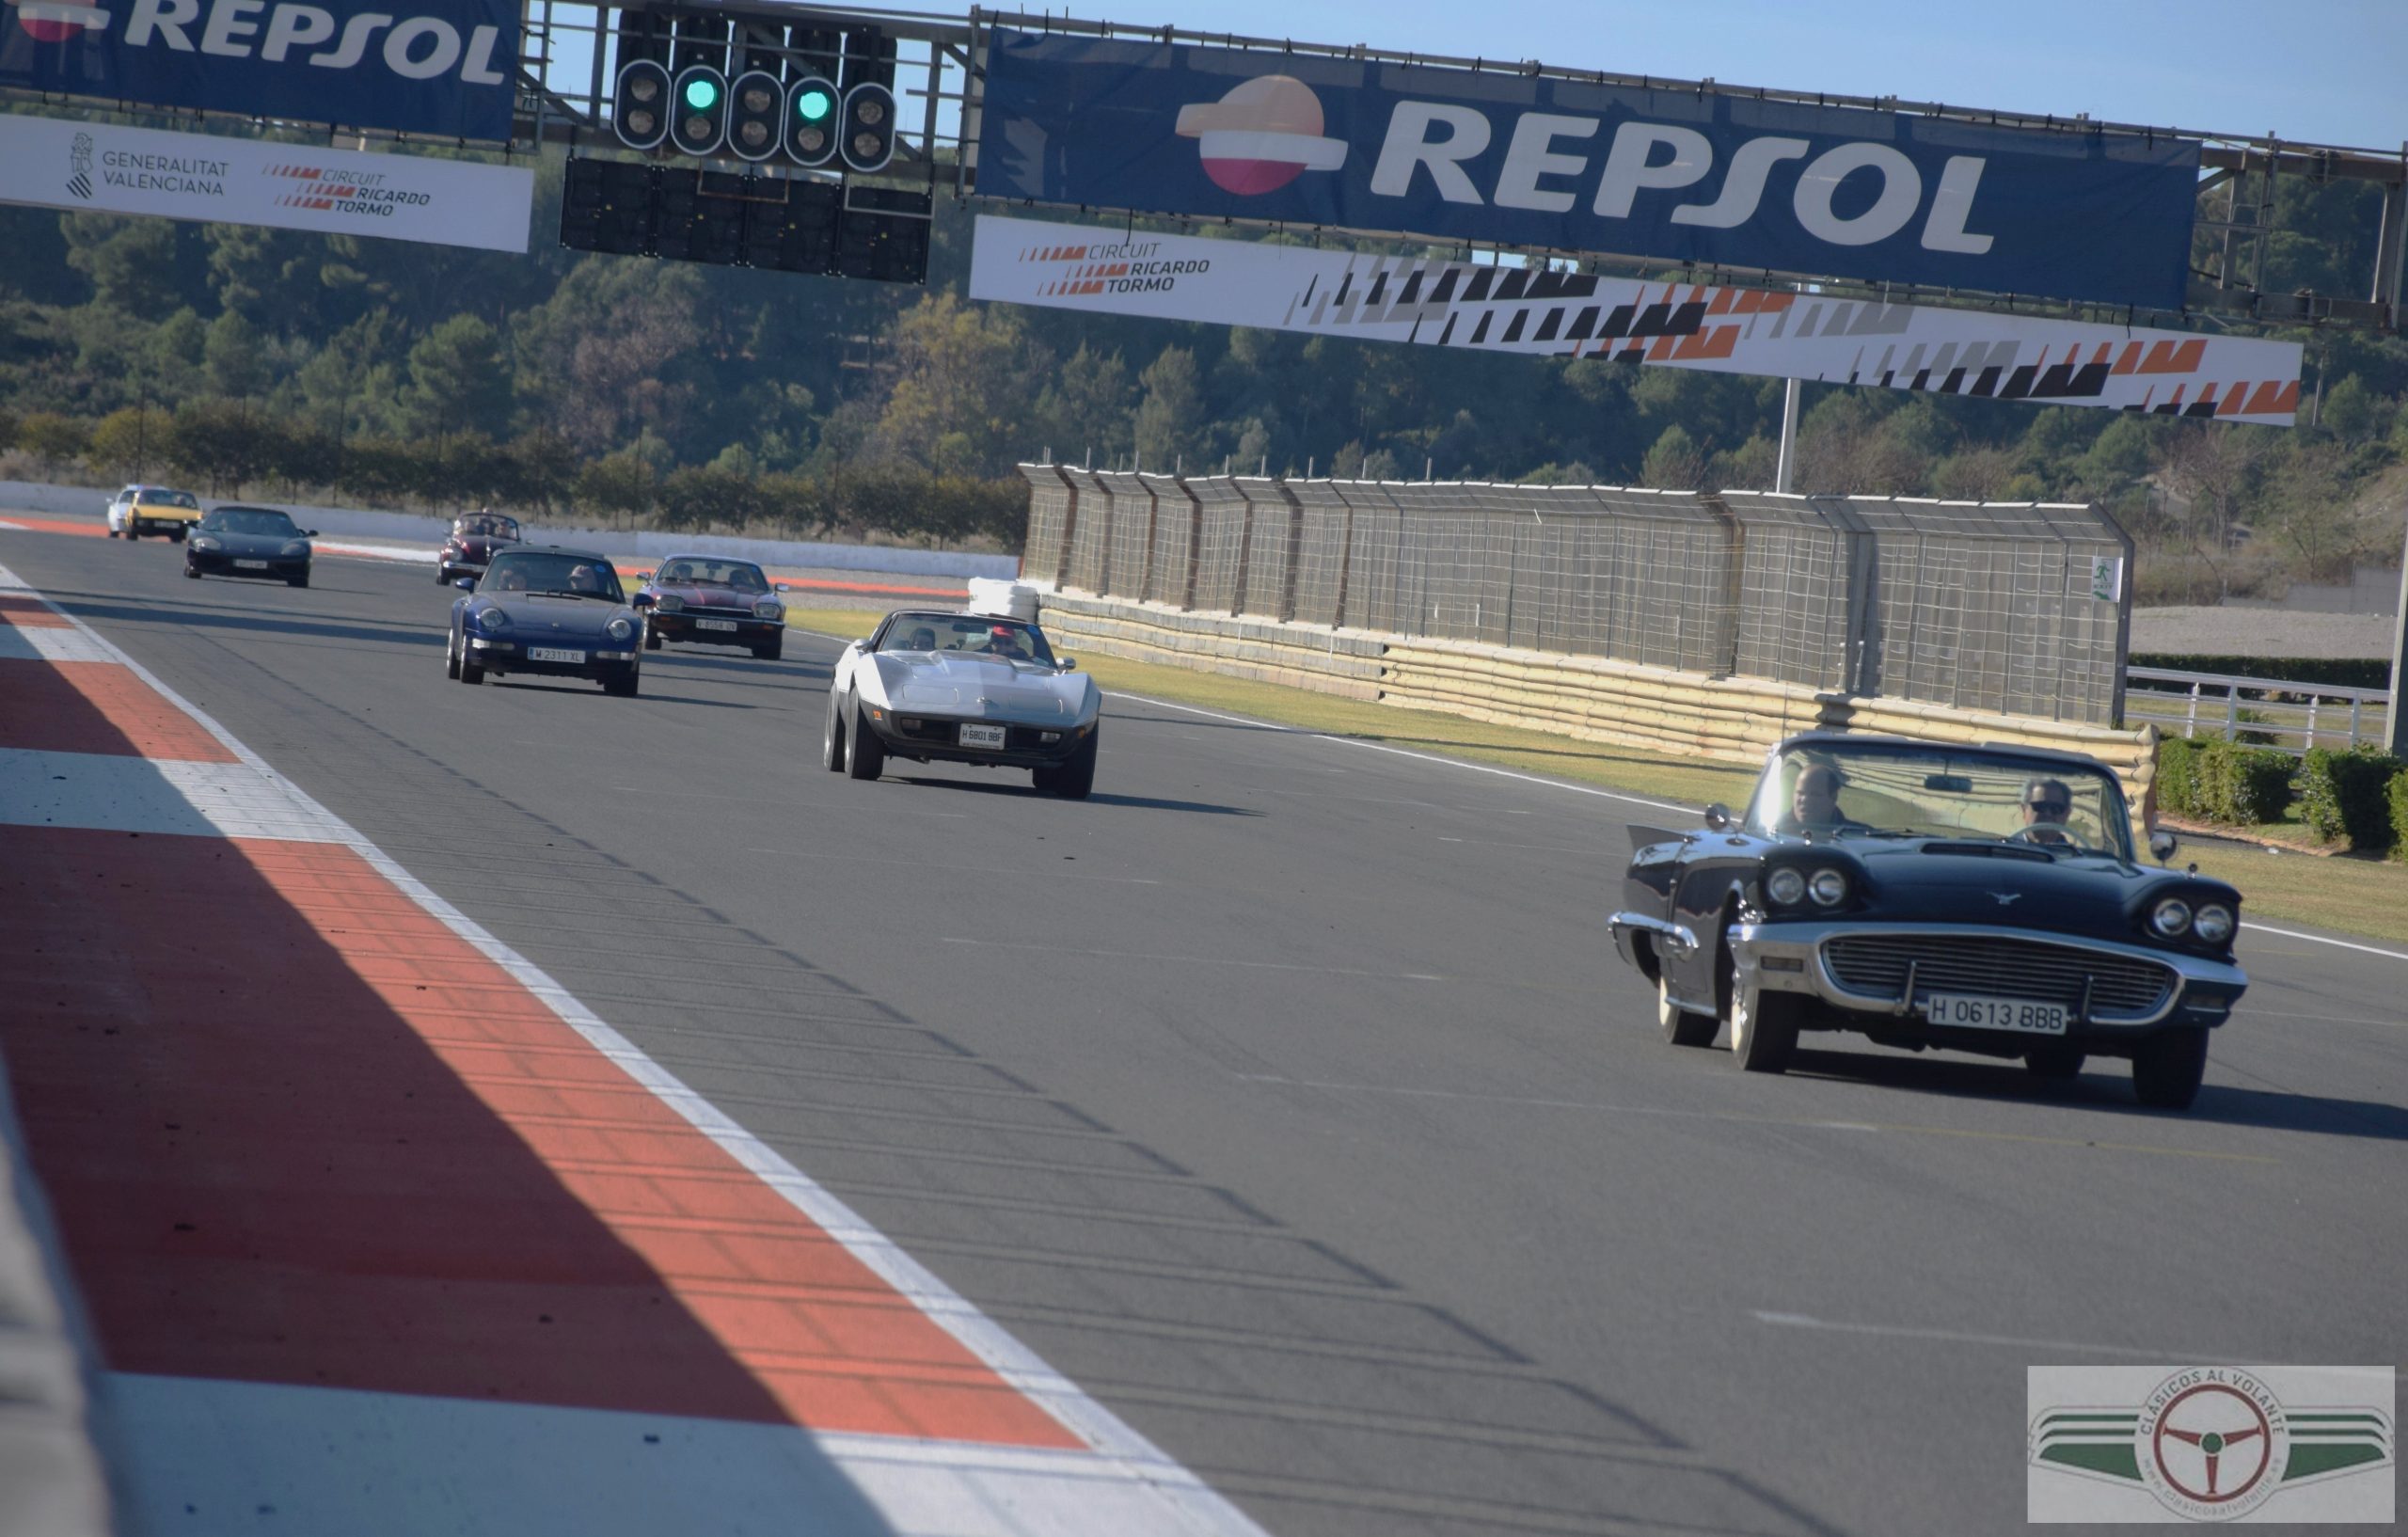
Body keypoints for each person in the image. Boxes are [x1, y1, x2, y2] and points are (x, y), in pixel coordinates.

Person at [1782, 762, 1867, 835]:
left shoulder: (1859, 836)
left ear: (1833, 797)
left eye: (1815, 794)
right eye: (1800, 793)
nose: (1804, 800)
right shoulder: (1774, 832)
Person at [2020, 777, 2076, 846]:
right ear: (2024, 809)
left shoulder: (2076, 855)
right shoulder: (2005, 851)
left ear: (2067, 814)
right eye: (2040, 806)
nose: (2048, 814)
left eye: (2056, 808)